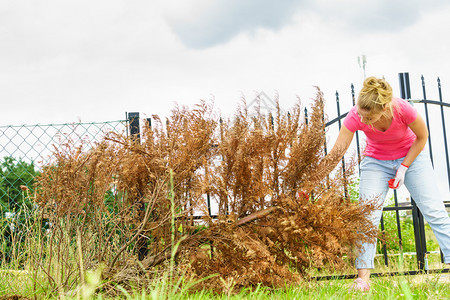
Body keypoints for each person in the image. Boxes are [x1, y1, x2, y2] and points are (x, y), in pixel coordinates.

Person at [323, 76, 450, 292]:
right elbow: (336, 153)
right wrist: (311, 181)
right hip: (376, 162)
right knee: (367, 218)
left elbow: (422, 136)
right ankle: (363, 280)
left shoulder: (404, 110)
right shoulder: (356, 115)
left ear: (383, 108)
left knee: (434, 211)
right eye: (361, 115)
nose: (362, 121)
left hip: (412, 156)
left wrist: (404, 167)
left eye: (368, 117)